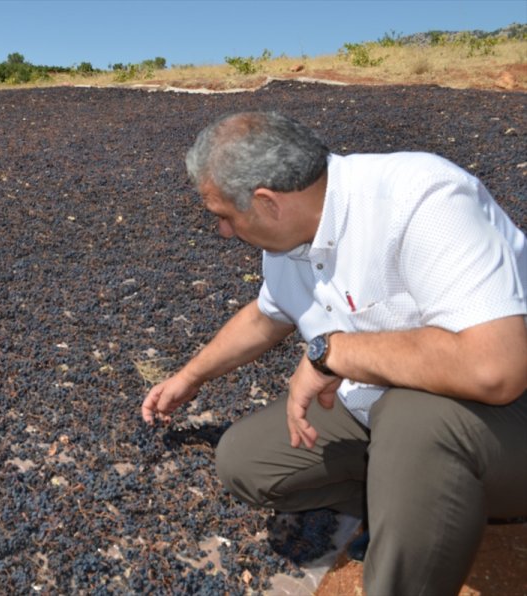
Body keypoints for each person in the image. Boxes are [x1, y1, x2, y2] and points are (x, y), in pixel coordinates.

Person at [141, 111, 527, 595]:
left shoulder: (422, 197)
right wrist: (189, 377)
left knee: (415, 422)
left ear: (267, 202)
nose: (222, 230)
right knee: (245, 461)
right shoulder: (288, 242)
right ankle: (409, 498)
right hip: (382, 411)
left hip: (507, 419)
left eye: (224, 216)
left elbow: (495, 368)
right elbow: (266, 316)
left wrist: (333, 352)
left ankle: (417, 538)